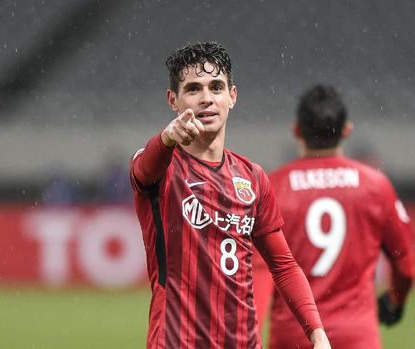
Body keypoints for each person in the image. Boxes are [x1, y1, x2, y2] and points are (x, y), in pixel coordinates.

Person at [129, 42, 331, 349]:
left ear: (232, 96)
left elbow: (283, 265)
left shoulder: (252, 178)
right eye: (193, 89)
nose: (207, 99)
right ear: (173, 100)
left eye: (216, 87)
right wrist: (168, 137)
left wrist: (317, 332)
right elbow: (145, 169)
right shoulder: (161, 168)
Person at [258, 85, 415, 349]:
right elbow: (405, 266)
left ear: (297, 130)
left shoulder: (273, 187)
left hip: (294, 336)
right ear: (346, 131)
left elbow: (255, 275)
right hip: (356, 336)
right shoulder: (375, 185)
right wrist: (395, 299)